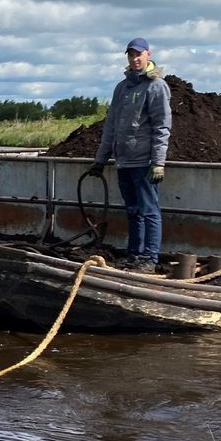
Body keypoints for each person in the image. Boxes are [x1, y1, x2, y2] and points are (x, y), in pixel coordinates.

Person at [87, 37, 172, 273]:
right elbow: (111, 126)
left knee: (149, 210)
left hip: (144, 161)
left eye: (138, 55)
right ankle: (134, 254)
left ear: (148, 54)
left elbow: (162, 127)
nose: (134, 59)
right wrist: (100, 160)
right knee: (133, 210)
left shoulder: (156, 87)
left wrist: (158, 162)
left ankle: (149, 258)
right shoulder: (122, 88)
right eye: (130, 55)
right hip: (123, 161)